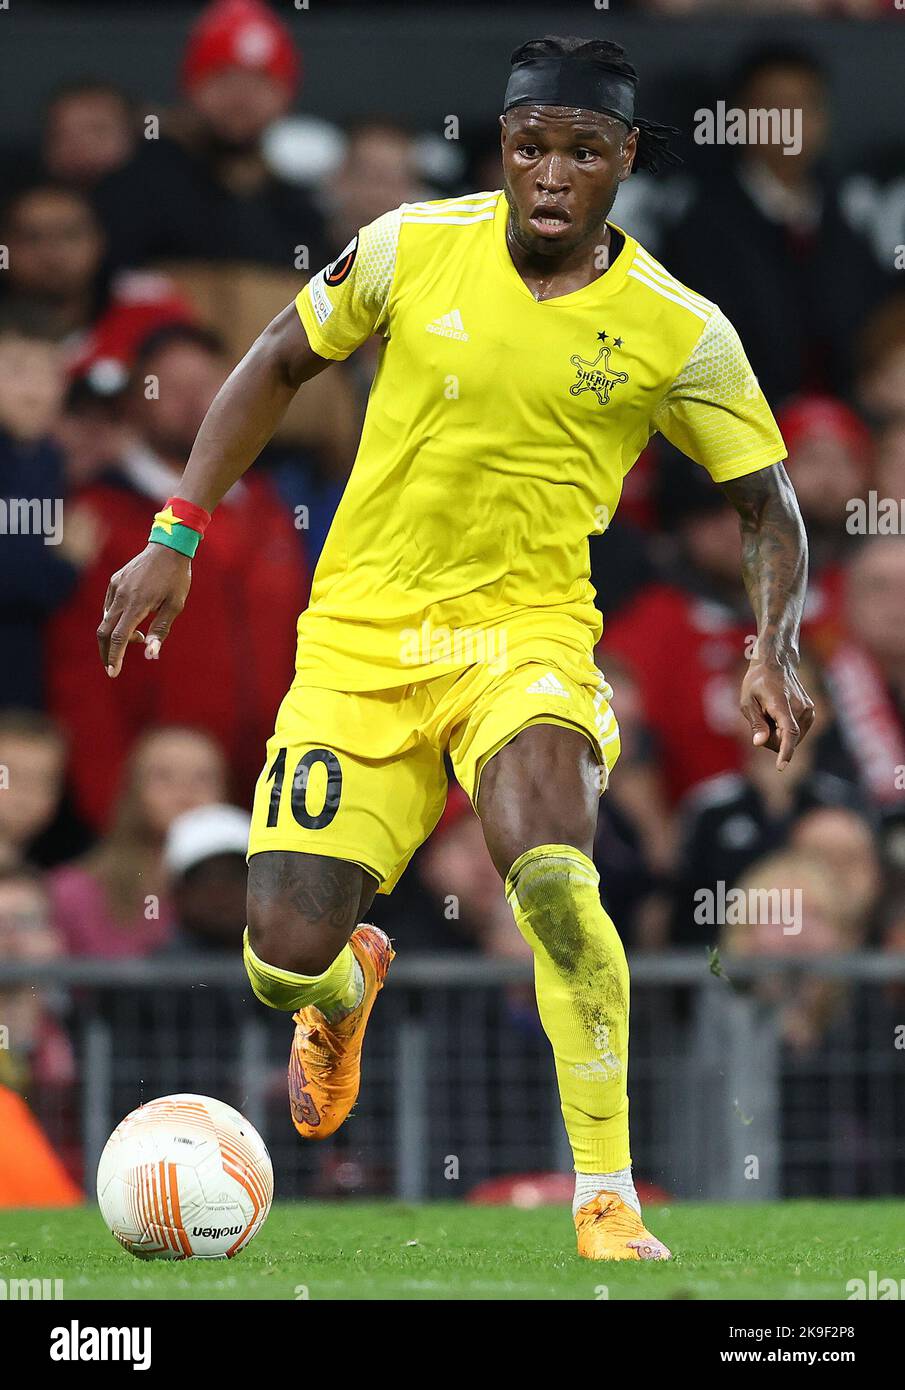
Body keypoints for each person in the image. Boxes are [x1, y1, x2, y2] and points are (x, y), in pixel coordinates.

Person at [96, 36, 815, 1261]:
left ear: (623, 163)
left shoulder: (676, 330)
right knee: (280, 956)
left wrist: (771, 643)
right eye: (530, 146)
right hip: (360, 641)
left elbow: (770, 506)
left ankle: (604, 1195)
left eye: (581, 153)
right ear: (503, 147)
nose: (549, 173)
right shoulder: (406, 245)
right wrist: (177, 528)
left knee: (549, 875)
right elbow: (275, 361)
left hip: (522, 638)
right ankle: (343, 987)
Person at [49, 726, 227, 958]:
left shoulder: (249, 889)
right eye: (163, 776)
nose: (185, 792)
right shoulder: (73, 891)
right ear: (132, 790)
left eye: (203, 778)